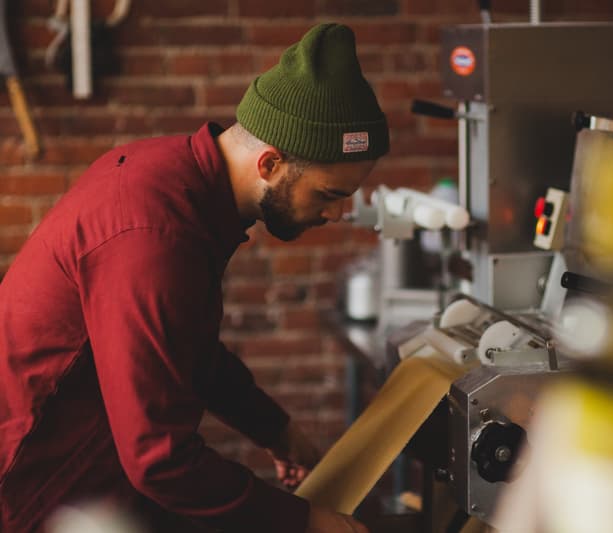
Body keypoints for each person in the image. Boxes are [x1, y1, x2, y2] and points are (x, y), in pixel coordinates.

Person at [0, 22, 388, 533]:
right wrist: (306, 521)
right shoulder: (155, 231)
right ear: (270, 163)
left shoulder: (177, 182)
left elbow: (186, 348)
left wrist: (276, 429)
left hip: (78, 476)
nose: (337, 216)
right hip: (29, 491)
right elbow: (158, 459)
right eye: (328, 195)